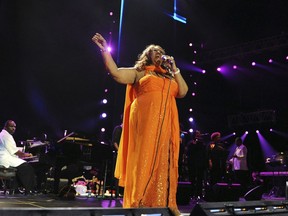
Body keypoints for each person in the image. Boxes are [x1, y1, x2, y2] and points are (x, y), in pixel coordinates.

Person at [92, 33, 188, 215]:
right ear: (147, 55)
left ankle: (167, 203)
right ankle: (138, 202)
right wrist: (105, 50)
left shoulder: (169, 77)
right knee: (144, 160)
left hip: (166, 126)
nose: (160, 53)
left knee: (164, 163)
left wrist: (175, 69)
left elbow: (183, 91)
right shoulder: (141, 72)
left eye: (162, 51)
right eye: (155, 51)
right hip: (145, 124)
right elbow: (116, 74)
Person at [0, 120, 36, 195]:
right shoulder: (5, 135)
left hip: (7, 158)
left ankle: (15, 189)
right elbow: (15, 151)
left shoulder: (5, 134)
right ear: (5, 127)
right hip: (5, 159)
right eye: (11, 126)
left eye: (14, 127)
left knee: (21, 167)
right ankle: (28, 190)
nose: (13, 128)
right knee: (27, 167)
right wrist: (26, 155)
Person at [186, 130, 206, 200]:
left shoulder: (202, 143)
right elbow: (188, 153)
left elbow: (204, 152)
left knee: (200, 179)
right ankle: (191, 194)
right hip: (192, 163)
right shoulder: (191, 143)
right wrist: (193, 144)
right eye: (196, 134)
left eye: (199, 134)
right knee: (192, 179)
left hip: (200, 163)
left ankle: (199, 194)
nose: (198, 135)